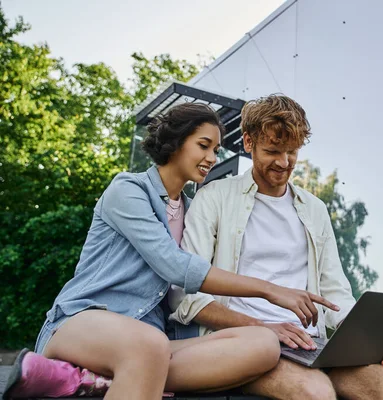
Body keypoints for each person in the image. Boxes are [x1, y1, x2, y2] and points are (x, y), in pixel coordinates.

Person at [3, 103, 338, 400]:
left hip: (150, 339)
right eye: (203, 145)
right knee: (148, 347)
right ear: (176, 143)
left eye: (216, 149)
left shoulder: (191, 208)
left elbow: (178, 297)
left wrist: (266, 324)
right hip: (84, 322)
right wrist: (271, 290)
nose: (212, 158)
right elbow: (177, 267)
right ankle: (100, 372)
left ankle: (98, 380)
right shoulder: (128, 190)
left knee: (263, 344)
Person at [169, 95, 383, 400]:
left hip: (315, 346)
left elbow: (335, 292)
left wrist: (377, 340)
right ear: (248, 142)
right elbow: (185, 296)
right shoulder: (214, 198)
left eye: (292, 152)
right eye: (272, 151)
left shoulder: (314, 209)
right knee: (316, 394)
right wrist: (265, 327)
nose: (284, 163)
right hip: (248, 346)